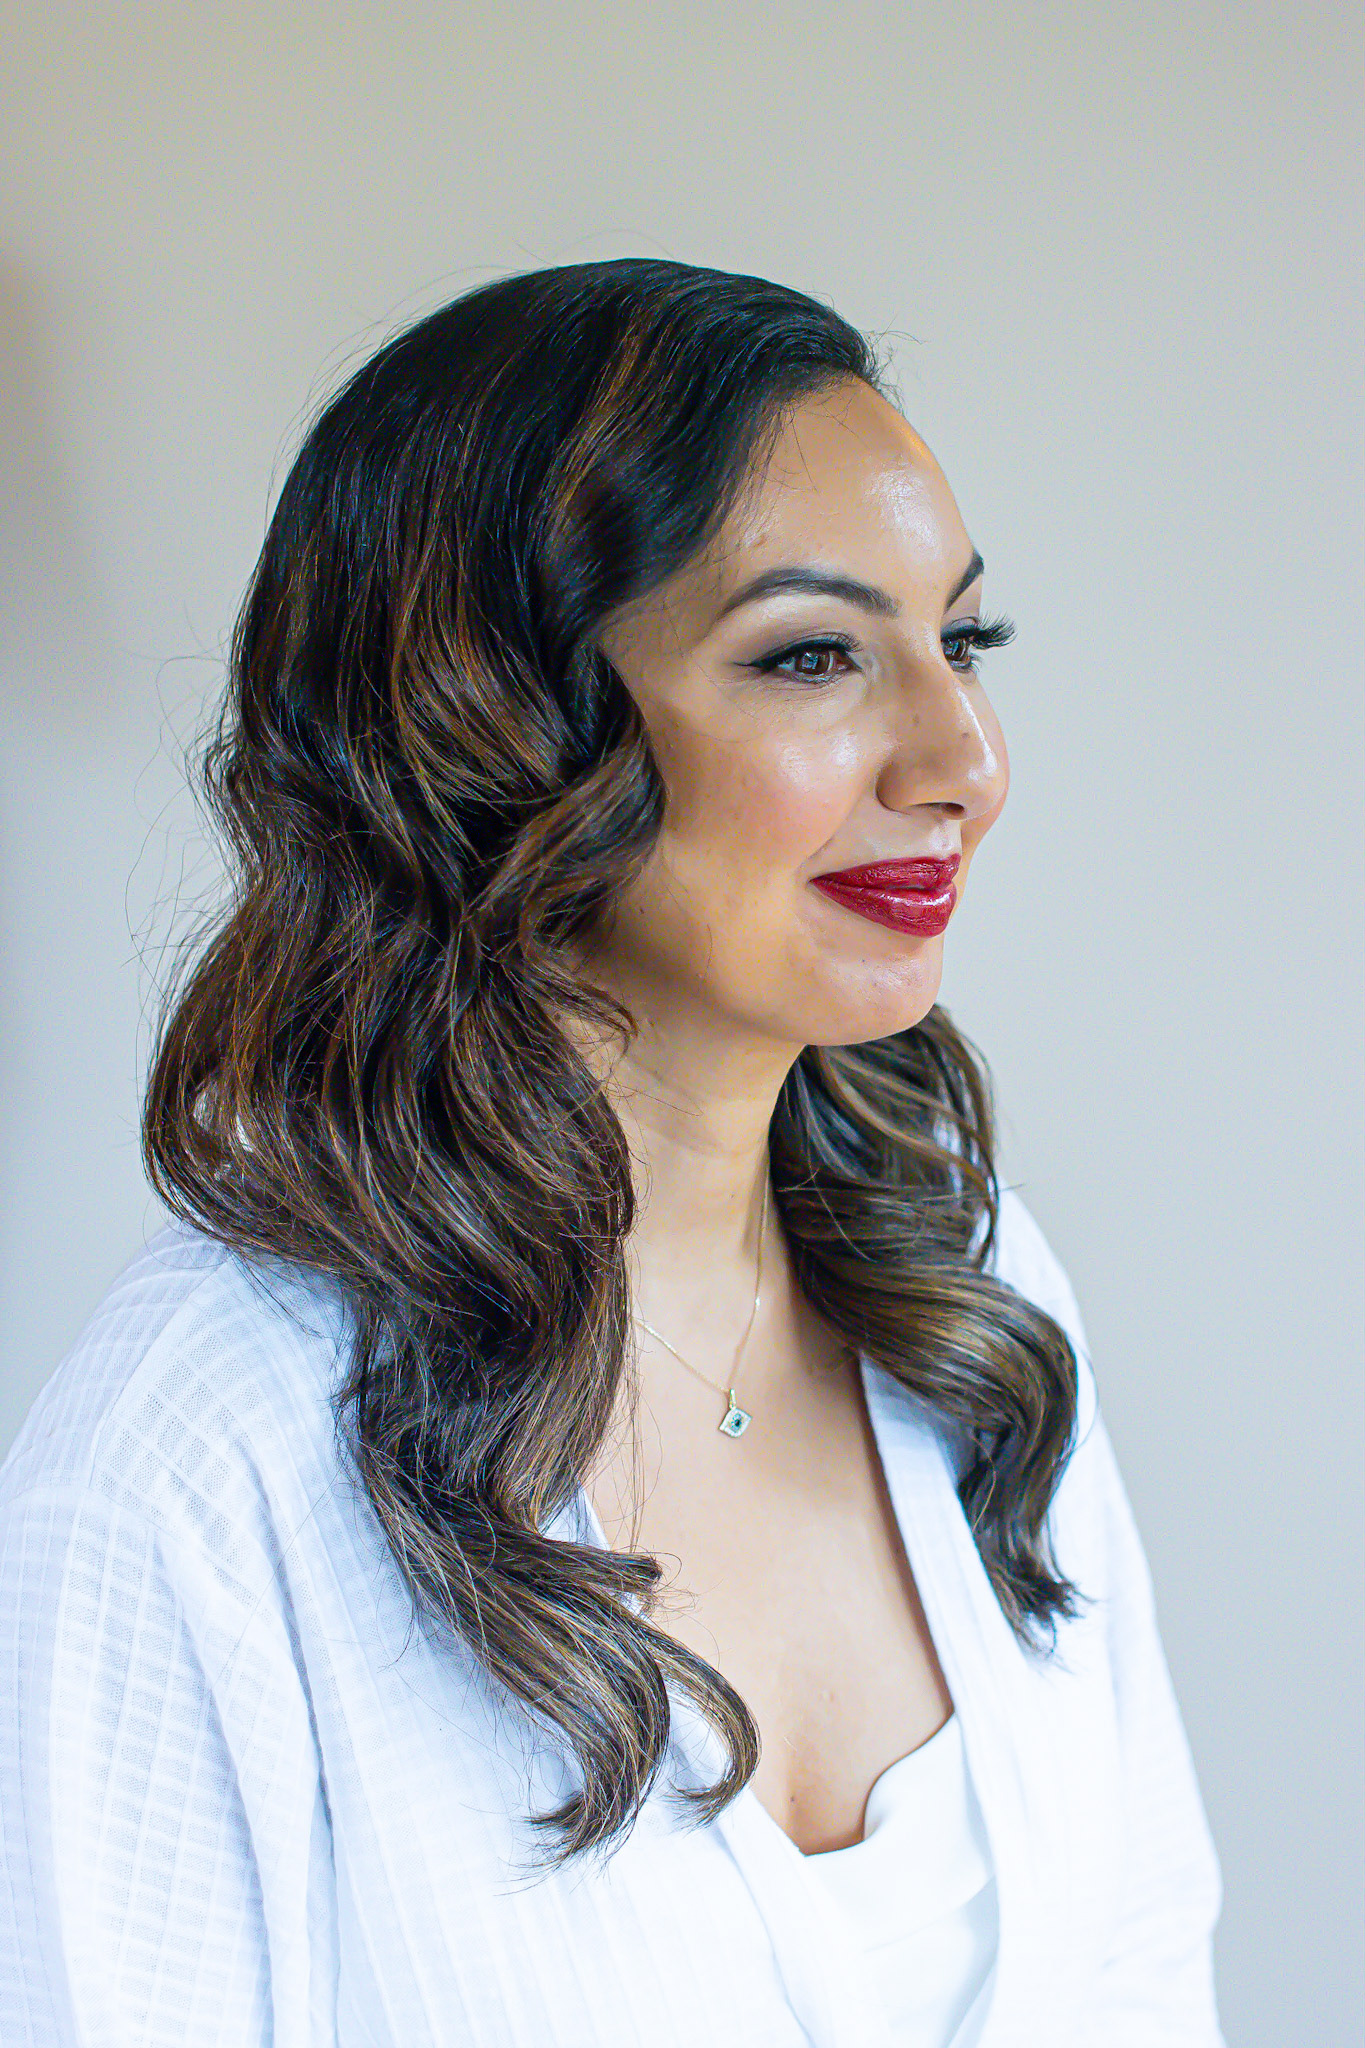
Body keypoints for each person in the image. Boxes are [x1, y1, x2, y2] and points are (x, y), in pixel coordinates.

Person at [0, 258, 1225, 2046]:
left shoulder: (966, 1290)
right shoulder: (198, 1458)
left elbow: (1142, 1974)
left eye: (961, 642)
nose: (962, 758)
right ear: (488, 722)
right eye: (810, 654)